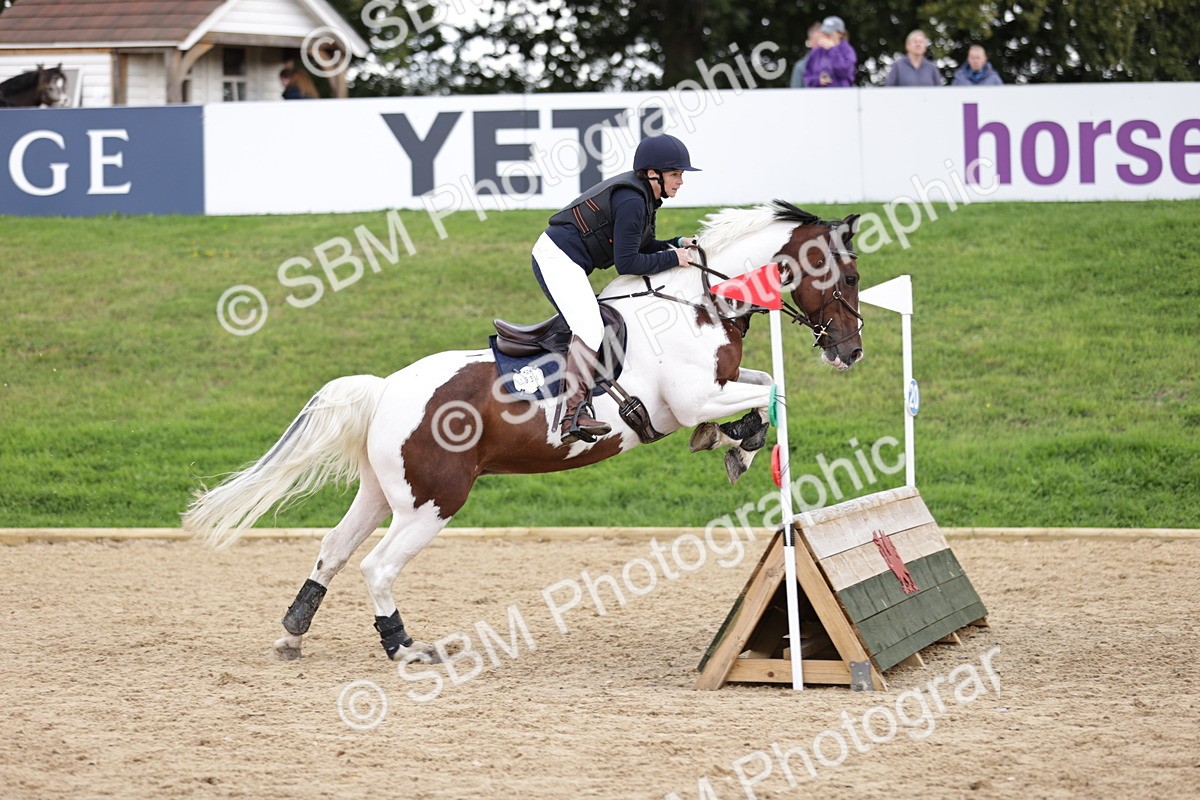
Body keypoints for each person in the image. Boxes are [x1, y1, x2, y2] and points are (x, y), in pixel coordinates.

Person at [535, 134, 700, 443]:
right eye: (675, 174)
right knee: (589, 327)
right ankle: (572, 415)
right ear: (653, 174)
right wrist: (673, 258)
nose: (680, 181)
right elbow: (627, 263)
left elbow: (643, 245)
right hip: (556, 259)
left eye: (680, 175)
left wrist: (676, 244)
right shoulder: (633, 201)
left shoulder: (643, 198)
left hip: (568, 260)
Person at [804, 15, 857, 87]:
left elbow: (843, 72)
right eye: (824, 33)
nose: (825, 36)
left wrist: (832, 50)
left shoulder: (847, 51)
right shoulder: (816, 52)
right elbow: (807, 76)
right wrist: (818, 80)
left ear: (840, 34)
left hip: (841, 95)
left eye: (829, 33)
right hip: (819, 96)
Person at [789, 23, 823, 88]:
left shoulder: (837, 64)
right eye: (817, 41)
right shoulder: (800, 67)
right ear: (809, 42)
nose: (821, 44)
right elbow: (795, 94)